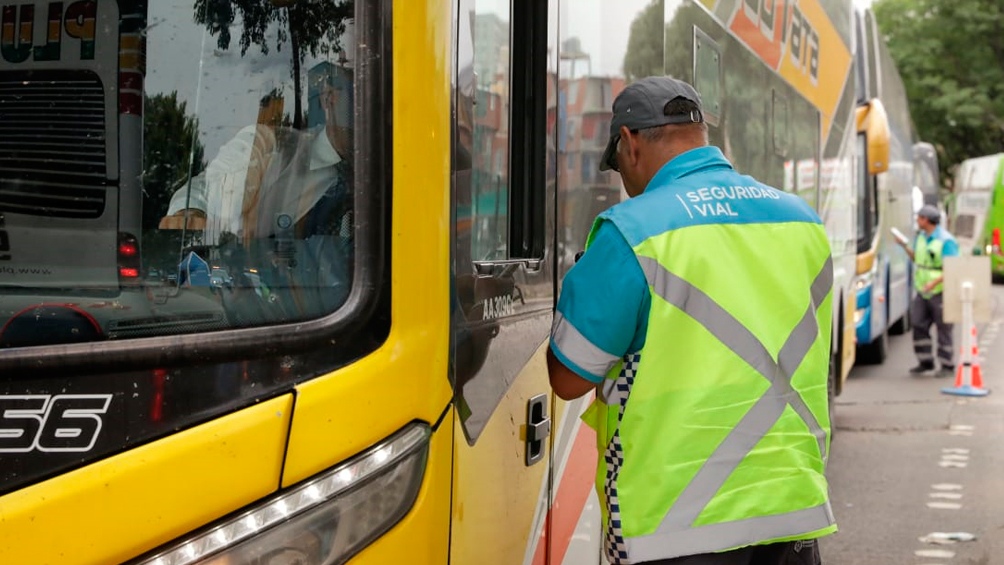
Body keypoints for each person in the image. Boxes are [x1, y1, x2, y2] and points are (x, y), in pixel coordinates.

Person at [546, 77, 836, 564]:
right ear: (700, 133)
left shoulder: (631, 233)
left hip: (675, 529)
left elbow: (570, 378)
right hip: (791, 508)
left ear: (629, 143)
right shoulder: (801, 219)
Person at [160, 63, 355, 325]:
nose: (369, 106)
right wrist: (190, 212)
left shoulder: (389, 173)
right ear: (329, 98)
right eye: (357, 91)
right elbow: (206, 187)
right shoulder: (272, 149)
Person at [903, 204, 958, 377]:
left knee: (943, 328)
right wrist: (904, 247)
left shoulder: (946, 241)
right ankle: (925, 361)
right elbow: (918, 259)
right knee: (918, 324)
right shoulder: (921, 237)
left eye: (919, 218)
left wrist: (934, 284)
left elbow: (952, 268)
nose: (917, 221)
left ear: (926, 220)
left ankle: (947, 364)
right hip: (922, 290)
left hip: (940, 290)